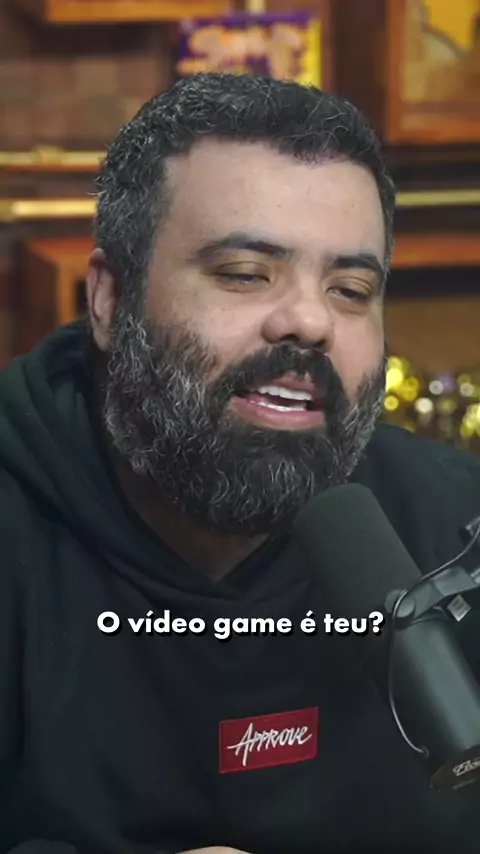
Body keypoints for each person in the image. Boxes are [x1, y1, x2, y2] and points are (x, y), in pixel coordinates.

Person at [0, 72, 479, 854]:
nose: (311, 321)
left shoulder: (455, 525)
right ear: (109, 300)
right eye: (245, 274)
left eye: (351, 288)